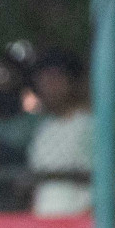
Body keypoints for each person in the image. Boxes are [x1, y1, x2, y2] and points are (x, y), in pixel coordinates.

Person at [26, 48, 92, 217]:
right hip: (45, 223)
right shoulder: (43, 131)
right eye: (43, 80)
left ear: (72, 82)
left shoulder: (90, 126)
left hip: (79, 222)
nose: (48, 87)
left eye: (54, 79)